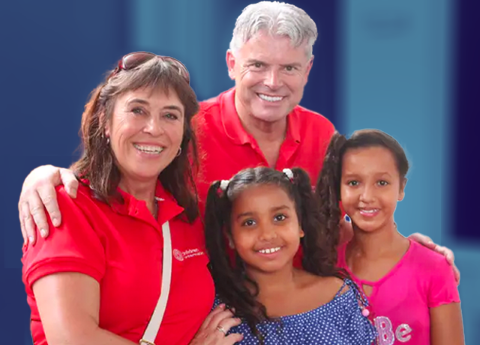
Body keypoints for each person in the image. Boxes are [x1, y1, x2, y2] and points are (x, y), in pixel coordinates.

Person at [17, 2, 457, 270]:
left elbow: (337, 225)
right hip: (209, 318)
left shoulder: (322, 133)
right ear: (231, 63)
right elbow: (114, 178)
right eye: (258, 66)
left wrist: (399, 249)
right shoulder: (184, 129)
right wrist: (44, 174)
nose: (273, 82)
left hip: (301, 315)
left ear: (307, 70)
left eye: (289, 68)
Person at [21, 52, 243, 345]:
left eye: (170, 116)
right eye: (138, 110)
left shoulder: (191, 213)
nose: (153, 129)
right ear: (105, 122)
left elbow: (286, 214)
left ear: (183, 136)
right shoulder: (65, 206)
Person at [198, 167, 377, 345]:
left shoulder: (338, 296)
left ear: (300, 224)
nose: (267, 234)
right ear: (230, 237)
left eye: (279, 217)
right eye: (249, 222)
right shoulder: (226, 316)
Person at [315, 130, 466, 345]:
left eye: (381, 183)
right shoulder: (327, 268)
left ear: (401, 188)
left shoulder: (434, 269)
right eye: (353, 182)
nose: (367, 196)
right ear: (338, 189)